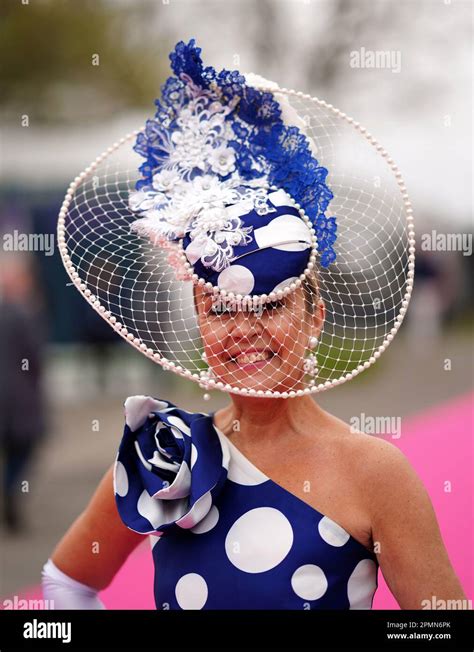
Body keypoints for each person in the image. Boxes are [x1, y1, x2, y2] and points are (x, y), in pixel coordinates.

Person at [42, 39, 467, 609]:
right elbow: (66, 583)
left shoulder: (373, 472)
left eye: (270, 305)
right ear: (198, 320)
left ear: (314, 314)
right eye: (220, 309)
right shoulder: (165, 453)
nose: (244, 330)